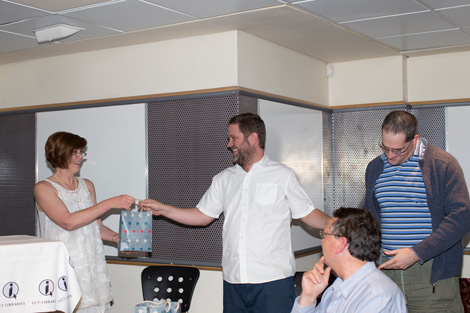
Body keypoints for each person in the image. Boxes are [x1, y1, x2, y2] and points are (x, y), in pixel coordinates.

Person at [140, 113, 331, 313]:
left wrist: (337, 224)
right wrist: (163, 210)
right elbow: (202, 216)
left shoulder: (283, 175)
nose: (229, 144)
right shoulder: (224, 179)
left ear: (253, 138)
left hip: (272, 281)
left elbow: (307, 214)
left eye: (234, 138)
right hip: (233, 281)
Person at [364, 111, 470, 313]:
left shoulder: (441, 164)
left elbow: (462, 216)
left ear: (415, 140)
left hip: (431, 276)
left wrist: (416, 253)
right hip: (386, 273)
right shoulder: (375, 167)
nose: (390, 155)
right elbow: (370, 216)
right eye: (385, 148)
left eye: (398, 150)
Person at [34, 131, 135, 313]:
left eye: (82, 153)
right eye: (75, 152)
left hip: (93, 271)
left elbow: (97, 227)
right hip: (64, 272)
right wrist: (110, 203)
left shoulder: (87, 185)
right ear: (58, 153)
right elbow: (68, 222)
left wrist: (117, 238)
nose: (81, 157)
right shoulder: (43, 188)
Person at [291, 207, 407, 313]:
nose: (322, 241)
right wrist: (308, 298)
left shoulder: (377, 295)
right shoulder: (335, 288)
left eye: (324, 235)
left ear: (340, 244)